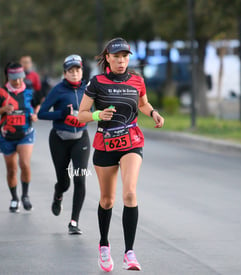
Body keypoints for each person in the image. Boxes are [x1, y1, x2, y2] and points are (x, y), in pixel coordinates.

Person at [78, 37, 164, 272]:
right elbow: (81, 114)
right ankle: (104, 245)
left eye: (125, 57)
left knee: (129, 193)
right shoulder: (97, 82)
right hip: (105, 144)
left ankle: (129, 253)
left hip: (131, 141)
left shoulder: (137, 80)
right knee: (107, 200)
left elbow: (143, 103)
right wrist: (97, 116)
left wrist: (153, 112)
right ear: (107, 58)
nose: (121, 61)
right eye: (116, 57)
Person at [38, 54, 90, 235]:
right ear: (65, 73)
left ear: (82, 71)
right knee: (64, 181)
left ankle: (74, 221)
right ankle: (58, 193)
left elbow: (96, 110)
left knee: (79, 178)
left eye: (78, 70)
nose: (75, 74)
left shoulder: (88, 89)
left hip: (81, 139)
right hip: (59, 139)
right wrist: (61, 114)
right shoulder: (57, 90)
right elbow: (41, 114)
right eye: (71, 71)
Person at [0, 62, 38, 213]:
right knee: (11, 170)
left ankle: (25, 195)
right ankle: (14, 198)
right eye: (14, 79)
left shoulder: (29, 90)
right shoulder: (1, 93)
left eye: (20, 78)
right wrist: (4, 109)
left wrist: (35, 114)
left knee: (24, 163)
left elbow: (38, 105)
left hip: (26, 133)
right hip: (7, 135)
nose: (17, 81)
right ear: (8, 77)